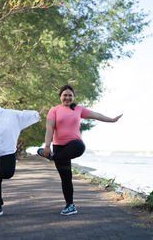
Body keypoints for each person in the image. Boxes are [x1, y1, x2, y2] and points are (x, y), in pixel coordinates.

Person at [38, 84, 123, 216]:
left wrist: (111, 120)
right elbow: (49, 128)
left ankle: (52, 157)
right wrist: (47, 146)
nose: (67, 97)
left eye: (70, 95)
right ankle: (70, 205)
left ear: (73, 97)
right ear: (60, 97)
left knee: (79, 147)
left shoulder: (78, 109)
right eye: (65, 95)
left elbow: (96, 115)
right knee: (66, 178)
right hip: (58, 147)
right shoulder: (54, 110)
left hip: (75, 145)